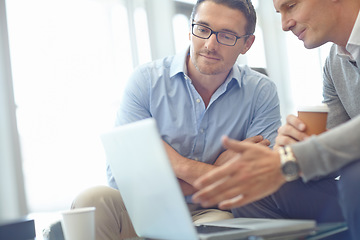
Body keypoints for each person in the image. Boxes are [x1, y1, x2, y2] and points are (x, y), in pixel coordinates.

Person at [71, 0, 282, 239]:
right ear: (190, 28)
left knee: (222, 226)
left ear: (247, 43)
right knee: (92, 200)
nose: (210, 44)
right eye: (202, 29)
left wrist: (169, 161)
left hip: (211, 211)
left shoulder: (261, 92)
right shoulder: (146, 81)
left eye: (226, 36)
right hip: (142, 209)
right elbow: (121, 177)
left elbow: (258, 178)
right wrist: (216, 172)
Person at [192, 0, 360, 239]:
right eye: (279, 12)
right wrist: (289, 149)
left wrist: (294, 158)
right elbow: (327, 154)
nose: (284, 24)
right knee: (255, 188)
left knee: (355, 176)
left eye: (291, 6)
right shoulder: (335, 63)